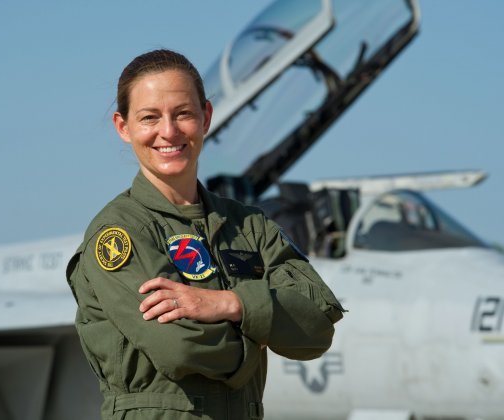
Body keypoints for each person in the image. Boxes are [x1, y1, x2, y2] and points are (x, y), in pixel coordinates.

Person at [66, 48, 344, 420]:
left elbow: (317, 330)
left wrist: (232, 304)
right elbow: (179, 348)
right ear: (123, 126)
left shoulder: (249, 226)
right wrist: (264, 331)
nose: (168, 131)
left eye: (183, 113)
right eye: (150, 118)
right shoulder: (119, 233)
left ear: (206, 117)